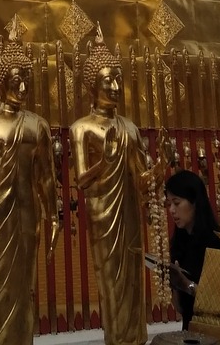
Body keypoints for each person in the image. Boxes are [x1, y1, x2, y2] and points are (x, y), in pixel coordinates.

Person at [0, 35, 59, 345]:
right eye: (16, 81)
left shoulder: (37, 125)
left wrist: (54, 216)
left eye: (26, 81)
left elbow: (46, 176)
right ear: (2, 80)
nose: (22, 88)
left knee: (24, 283)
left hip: (27, 213)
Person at [71, 27, 153, 345]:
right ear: (92, 86)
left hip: (129, 212)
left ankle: (135, 337)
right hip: (102, 214)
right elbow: (80, 180)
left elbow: (140, 176)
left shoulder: (129, 128)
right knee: (110, 278)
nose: (116, 87)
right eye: (108, 81)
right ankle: (116, 337)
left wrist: (158, 171)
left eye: (119, 79)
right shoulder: (82, 129)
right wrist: (104, 162)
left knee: (133, 277)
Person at [164, 169, 220, 328]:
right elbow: (180, 308)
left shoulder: (217, 243)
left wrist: (187, 285)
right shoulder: (180, 244)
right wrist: (176, 284)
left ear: (194, 202)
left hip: (214, 332)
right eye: (169, 204)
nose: (172, 210)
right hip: (189, 329)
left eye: (177, 203)